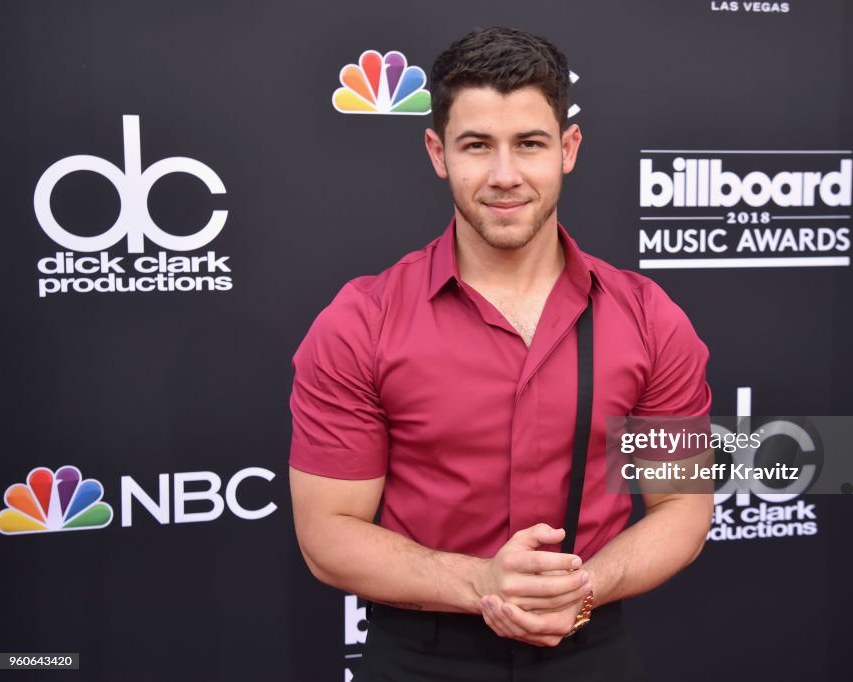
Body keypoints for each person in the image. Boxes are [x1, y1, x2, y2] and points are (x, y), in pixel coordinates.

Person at [288, 26, 713, 681]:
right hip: (418, 658)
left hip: (589, 648)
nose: (505, 175)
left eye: (530, 144)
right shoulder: (361, 323)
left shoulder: (649, 318)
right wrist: (482, 581)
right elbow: (328, 535)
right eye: (477, 146)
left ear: (567, 148)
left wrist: (579, 588)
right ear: (438, 152)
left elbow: (683, 506)